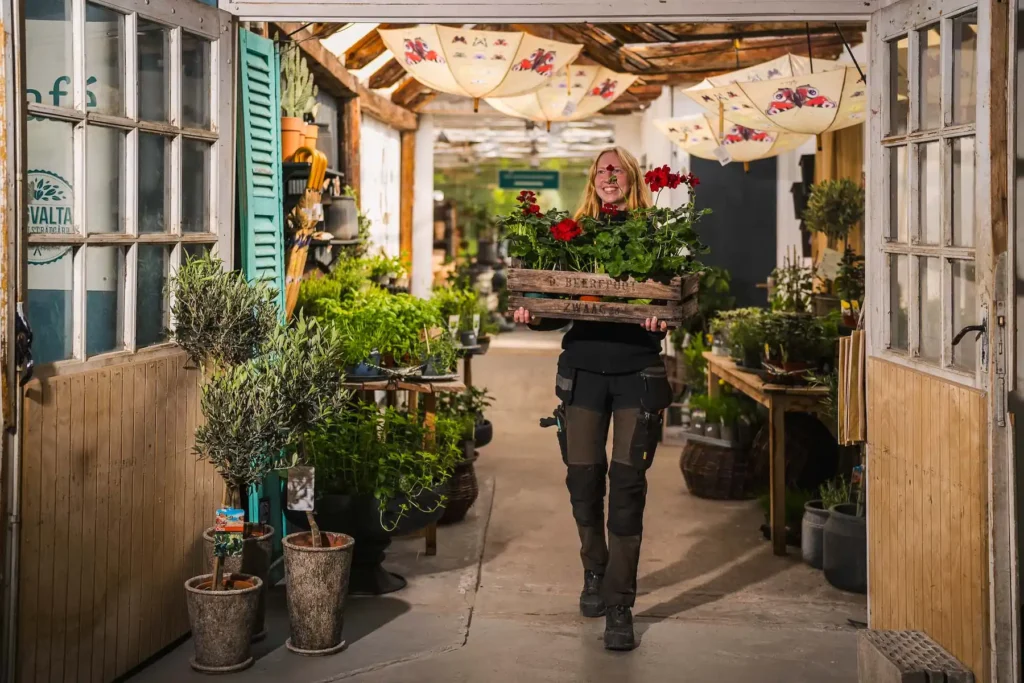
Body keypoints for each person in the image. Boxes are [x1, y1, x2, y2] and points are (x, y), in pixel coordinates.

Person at [513, 147, 673, 651]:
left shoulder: (656, 235)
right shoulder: (575, 235)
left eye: (617, 168)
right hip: (582, 371)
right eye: (601, 169)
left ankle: (620, 604)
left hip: (636, 373)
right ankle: (593, 572)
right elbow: (562, 306)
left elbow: (670, 302)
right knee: (583, 481)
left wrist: (659, 315)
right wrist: (537, 315)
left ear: (630, 178)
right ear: (593, 180)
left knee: (627, 489)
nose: (608, 176)